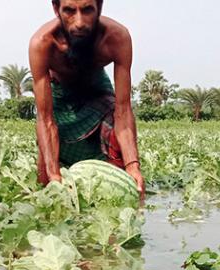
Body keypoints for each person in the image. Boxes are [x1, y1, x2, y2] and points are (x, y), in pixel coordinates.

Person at [29, 0, 145, 200]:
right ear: (56, 9)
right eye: (69, 11)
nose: (79, 22)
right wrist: (54, 175)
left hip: (96, 88)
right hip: (59, 94)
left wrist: (132, 165)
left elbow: (123, 110)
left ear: (99, 7)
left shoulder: (117, 37)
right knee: (46, 179)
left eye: (87, 10)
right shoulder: (43, 43)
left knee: (118, 151)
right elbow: (46, 119)